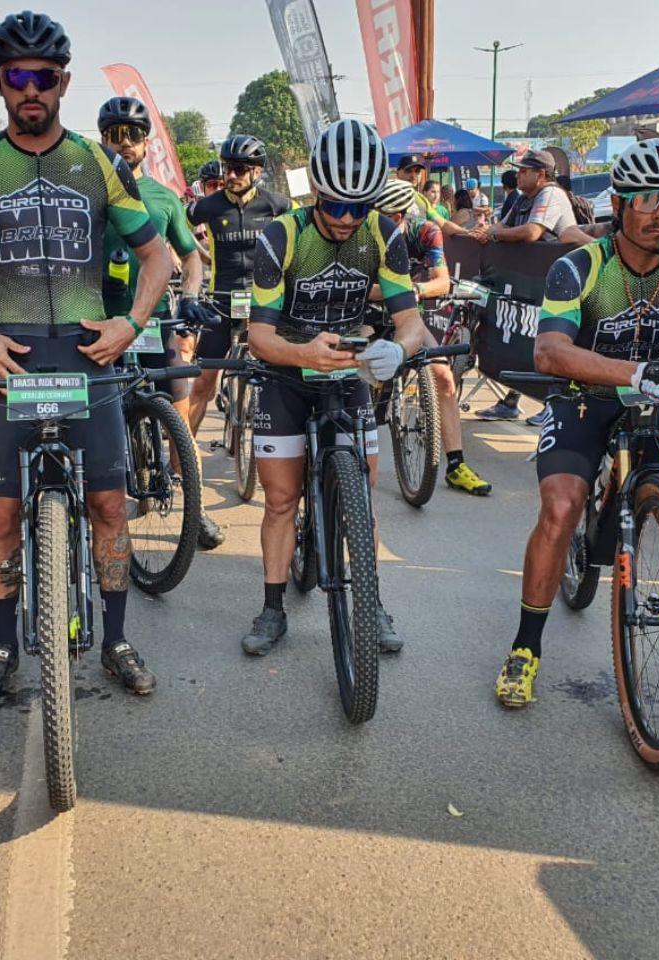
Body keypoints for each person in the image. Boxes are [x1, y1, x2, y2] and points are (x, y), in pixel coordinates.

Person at [0, 11, 172, 702]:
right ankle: (4, 645)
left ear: (63, 82)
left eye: (43, 75)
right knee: (2, 517)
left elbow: (157, 255)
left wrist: (131, 322)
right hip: (8, 355)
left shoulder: (98, 162)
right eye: (17, 76)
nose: (30, 88)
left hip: (88, 354)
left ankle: (116, 639)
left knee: (109, 505)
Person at [497, 138, 659, 739]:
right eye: (646, 199)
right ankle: (526, 646)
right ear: (617, 205)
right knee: (561, 507)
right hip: (585, 397)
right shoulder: (580, 266)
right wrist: (633, 373)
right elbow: (550, 351)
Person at [238, 120, 435, 658]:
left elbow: (410, 321)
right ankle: (273, 607)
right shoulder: (282, 235)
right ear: (316, 192)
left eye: (359, 206)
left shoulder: (383, 233)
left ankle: (372, 602)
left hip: (347, 374)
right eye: (336, 205)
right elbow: (259, 336)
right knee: (281, 499)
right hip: (286, 372)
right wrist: (303, 353)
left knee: (362, 494)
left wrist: (399, 350)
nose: (347, 218)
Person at [96, 95, 225, 549]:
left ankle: (195, 506)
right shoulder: (86, 194)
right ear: (102, 140)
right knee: (96, 423)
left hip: (154, 322)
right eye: (114, 135)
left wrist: (189, 297)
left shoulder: (163, 198)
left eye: (133, 135)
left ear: (147, 143)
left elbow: (190, 257)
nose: (124, 143)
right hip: (99, 323)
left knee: (179, 414)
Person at [373, 178, 491, 496]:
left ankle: (456, 466)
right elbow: (361, 289)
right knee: (351, 373)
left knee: (443, 376)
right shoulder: (364, 233)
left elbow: (442, 282)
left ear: (399, 215)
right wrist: (393, 292)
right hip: (368, 313)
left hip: (406, 312)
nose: (376, 221)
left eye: (384, 216)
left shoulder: (425, 231)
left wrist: (412, 290)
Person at [185, 133, 291, 438]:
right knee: (203, 383)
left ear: (256, 171)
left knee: (280, 375)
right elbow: (175, 228)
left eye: (239, 169)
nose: (231, 175)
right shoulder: (209, 206)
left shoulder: (277, 205)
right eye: (227, 168)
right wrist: (198, 255)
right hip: (222, 299)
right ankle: (183, 458)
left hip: (263, 301)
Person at [472, 151, 577, 424]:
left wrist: (494, 234)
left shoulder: (550, 194)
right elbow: (502, 225)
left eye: (523, 171)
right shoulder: (523, 197)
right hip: (530, 281)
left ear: (540, 174)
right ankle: (510, 402)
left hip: (560, 287)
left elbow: (532, 232)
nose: (518, 175)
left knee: (552, 342)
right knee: (521, 340)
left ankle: (554, 407)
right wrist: (488, 232)